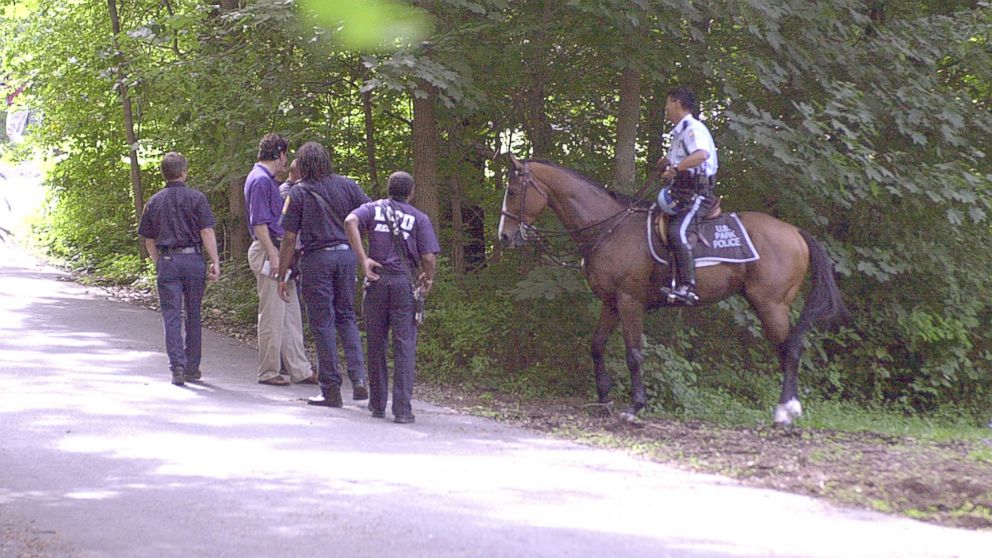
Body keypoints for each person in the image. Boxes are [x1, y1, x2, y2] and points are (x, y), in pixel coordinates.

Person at [276, 141, 370, 408]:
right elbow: (369, 216)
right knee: (347, 317)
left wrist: (282, 274)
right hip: (347, 257)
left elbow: (289, 238)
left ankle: (331, 389)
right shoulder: (348, 186)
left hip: (317, 259)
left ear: (303, 165)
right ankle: (359, 377)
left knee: (322, 323)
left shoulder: (298, 193)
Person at [344, 171, 439, 423]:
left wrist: (363, 259)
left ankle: (377, 405)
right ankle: (402, 410)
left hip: (376, 282)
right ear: (411, 192)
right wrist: (427, 278)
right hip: (403, 286)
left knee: (376, 344)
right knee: (404, 346)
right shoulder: (419, 218)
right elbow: (429, 257)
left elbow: (349, 221)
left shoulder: (372, 209)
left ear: (389, 189)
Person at [138, 152, 220, 385]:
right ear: (184, 172)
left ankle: (177, 367)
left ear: (164, 174)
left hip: (168, 262)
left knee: (171, 316)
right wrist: (214, 260)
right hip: (193, 260)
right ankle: (193, 367)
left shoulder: (154, 202)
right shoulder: (197, 199)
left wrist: (158, 261)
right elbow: (206, 231)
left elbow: (148, 239)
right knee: (193, 313)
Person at [244, 133, 315, 386]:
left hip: (281, 252)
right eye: (285, 154)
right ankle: (268, 370)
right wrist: (275, 257)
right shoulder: (261, 181)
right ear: (278, 154)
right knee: (273, 313)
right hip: (269, 250)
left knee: (291, 313)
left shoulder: (265, 180)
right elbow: (260, 223)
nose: (287, 160)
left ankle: (300, 369)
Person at [656, 85, 719, 305]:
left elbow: (701, 154)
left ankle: (688, 287)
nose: (665, 109)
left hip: (696, 193)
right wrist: (667, 162)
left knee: (677, 232)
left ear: (676, 102)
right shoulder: (679, 132)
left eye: (667, 103)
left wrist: (675, 168)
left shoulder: (693, 128)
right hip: (680, 191)